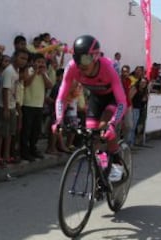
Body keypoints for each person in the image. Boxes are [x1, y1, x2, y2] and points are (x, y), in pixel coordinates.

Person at [52, 35, 127, 182]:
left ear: (96, 56)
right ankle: (103, 167)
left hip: (113, 98)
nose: (81, 64)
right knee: (92, 136)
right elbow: (61, 97)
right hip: (96, 98)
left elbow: (122, 102)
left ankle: (117, 164)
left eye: (85, 59)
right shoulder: (72, 67)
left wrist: (113, 123)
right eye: (77, 58)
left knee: (104, 128)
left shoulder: (108, 68)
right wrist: (59, 119)